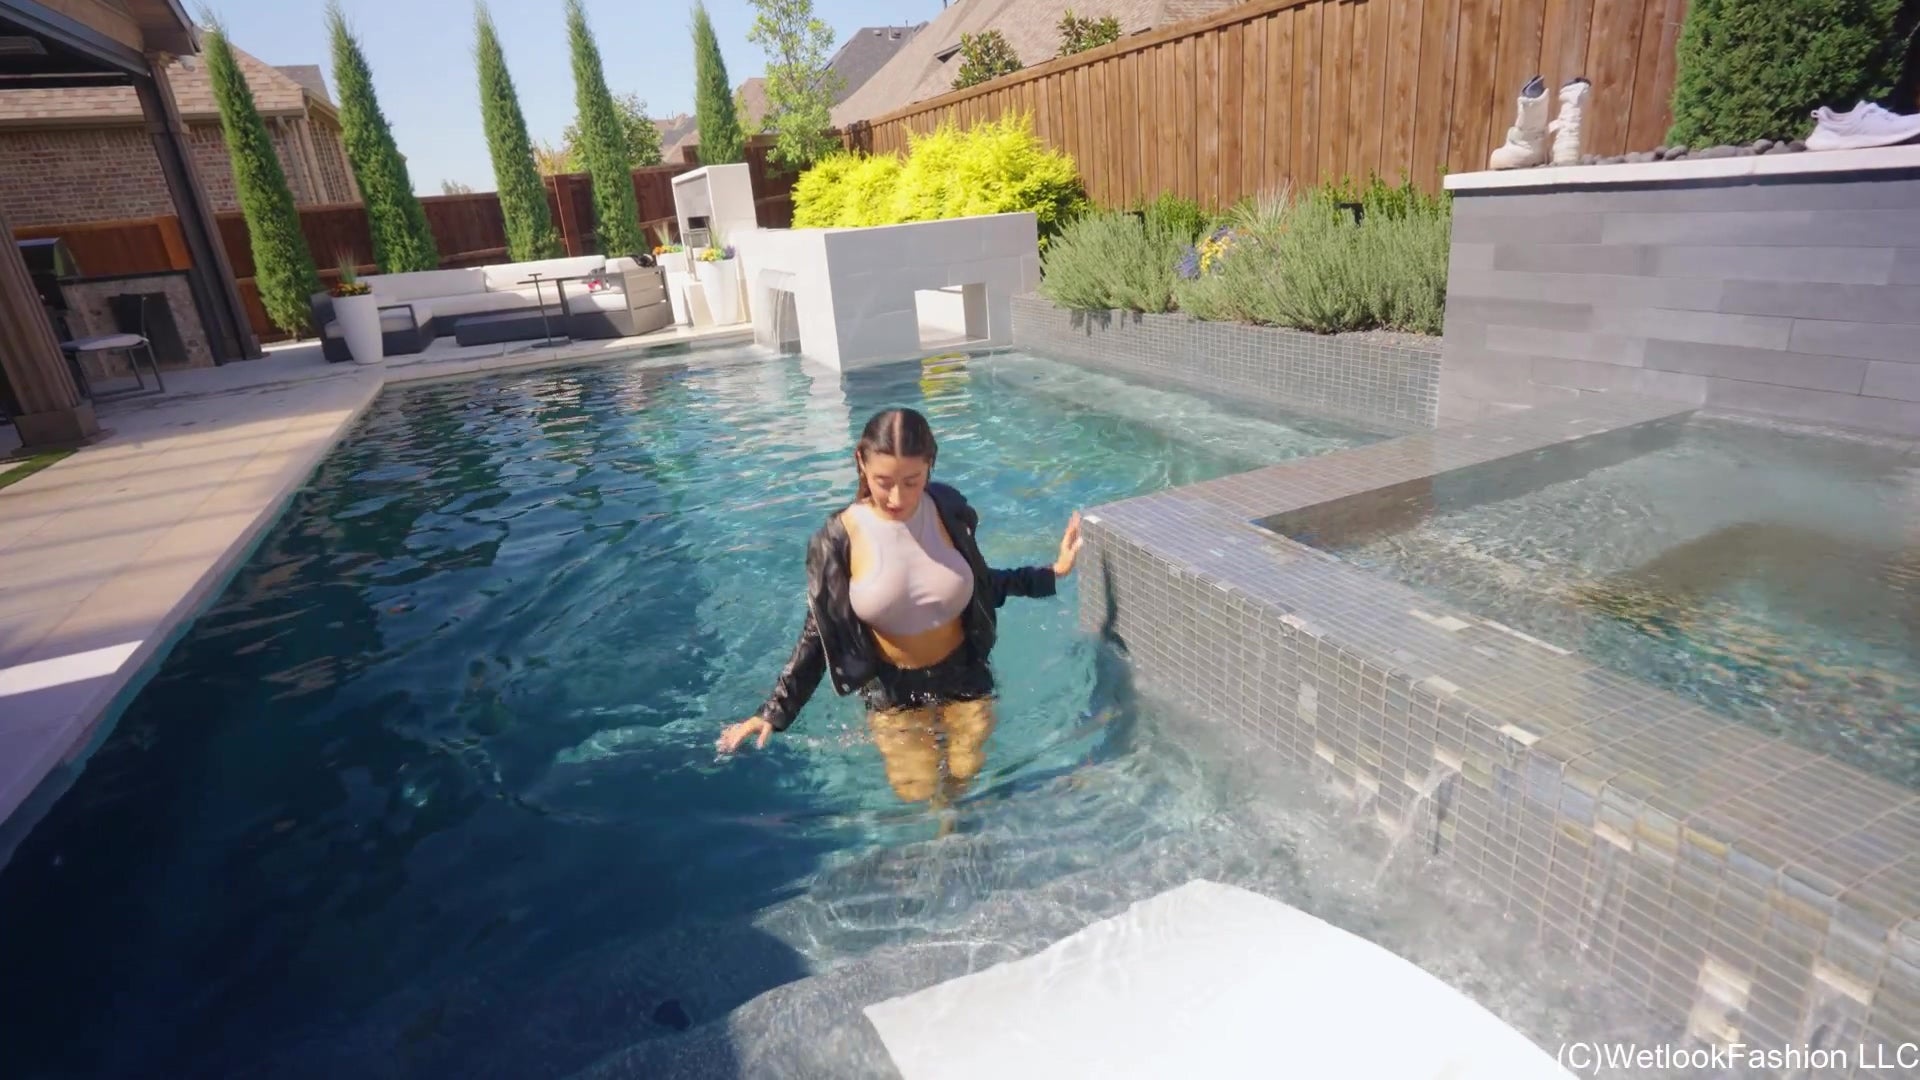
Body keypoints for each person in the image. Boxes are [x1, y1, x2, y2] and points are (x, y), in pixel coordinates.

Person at [716, 407, 1083, 806]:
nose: (897, 497)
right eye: (883, 481)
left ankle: (955, 836)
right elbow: (819, 633)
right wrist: (773, 711)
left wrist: (1052, 572)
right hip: (892, 686)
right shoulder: (838, 539)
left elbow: (979, 582)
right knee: (917, 790)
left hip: (964, 673)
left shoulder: (948, 509)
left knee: (965, 774)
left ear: (930, 464)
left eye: (912, 481)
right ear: (860, 461)